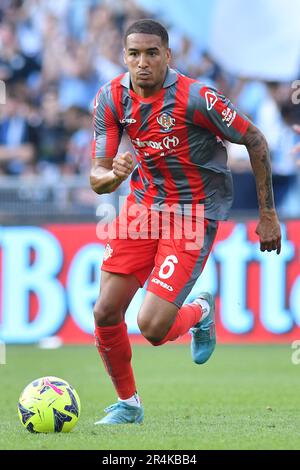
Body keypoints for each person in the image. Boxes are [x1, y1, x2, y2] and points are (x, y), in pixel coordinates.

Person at [90, 19, 281, 425]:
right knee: (106, 311)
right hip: (142, 208)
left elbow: (255, 140)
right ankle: (128, 405)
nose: (142, 63)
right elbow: (98, 178)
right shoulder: (110, 98)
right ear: (124, 57)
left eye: (151, 53)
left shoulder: (198, 98)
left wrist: (267, 214)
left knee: (152, 329)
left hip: (192, 213)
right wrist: (115, 177)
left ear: (167, 56)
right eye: (134, 54)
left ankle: (200, 311)